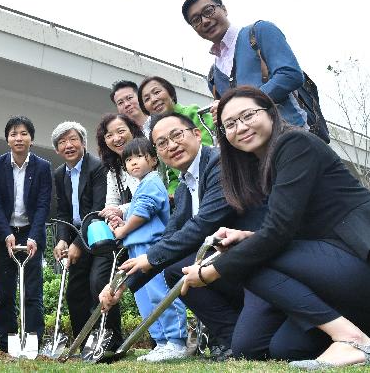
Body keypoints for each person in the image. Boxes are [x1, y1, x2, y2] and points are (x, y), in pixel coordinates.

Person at [180, 86, 370, 368]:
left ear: (271, 112)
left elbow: (279, 233)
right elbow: (293, 229)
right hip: (336, 267)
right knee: (284, 348)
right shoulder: (261, 165)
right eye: (230, 124)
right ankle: (354, 330)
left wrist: (210, 273)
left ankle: (353, 339)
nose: (241, 127)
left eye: (248, 115)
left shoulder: (295, 144)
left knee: (245, 258)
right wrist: (248, 235)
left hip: (359, 258)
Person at [99, 112, 264, 361]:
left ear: (196, 134)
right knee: (177, 269)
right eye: (162, 143)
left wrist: (149, 258)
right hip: (226, 265)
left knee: (282, 347)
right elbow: (170, 236)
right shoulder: (186, 185)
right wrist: (121, 285)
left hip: (257, 265)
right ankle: (228, 337)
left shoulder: (220, 164)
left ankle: (236, 335)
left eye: (177, 135)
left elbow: (203, 225)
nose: (172, 146)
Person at [107, 138, 188, 362]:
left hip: (151, 248)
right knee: (144, 298)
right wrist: (122, 223)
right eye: (128, 160)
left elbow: (143, 212)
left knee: (160, 293)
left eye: (139, 157)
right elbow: (136, 212)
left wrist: (122, 231)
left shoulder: (152, 181)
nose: (133, 163)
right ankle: (162, 342)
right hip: (136, 249)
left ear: (153, 160)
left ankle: (176, 341)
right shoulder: (143, 184)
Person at [181, 0, 308, 127]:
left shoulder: (259, 31)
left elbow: (291, 75)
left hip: (291, 136)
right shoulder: (213, 76)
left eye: (208, 10)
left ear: (224, 9)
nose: (205, 21)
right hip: (252, 145)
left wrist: (240, 103)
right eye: (195, 20)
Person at [51, 121, 122, 350]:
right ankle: (84, 343)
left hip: (100, 237)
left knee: (98, 284)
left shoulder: (98, 167)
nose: (68, 145)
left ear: (83, 142)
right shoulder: (60, 173)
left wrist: (78, 244)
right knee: (75, 292)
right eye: (62, 142)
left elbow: (97, 209)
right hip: (75, 238)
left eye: (73, 139)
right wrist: (62, 239)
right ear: (57, 149)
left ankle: (110, 341)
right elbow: (62, 211)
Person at [0, 116, 52, 352]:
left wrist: (34, 235)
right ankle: (6, 341)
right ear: (7, 139)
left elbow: (44, 205)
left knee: (32, 291)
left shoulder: (43, 167)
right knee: (5, 291)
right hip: (3, 234)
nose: (19, 138)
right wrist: (5, 233)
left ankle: (33, 340)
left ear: (31, 139)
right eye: (14, 134)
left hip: (31, 232)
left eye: (24, 133)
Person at [138, 76, 216, 196]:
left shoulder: (192, 112)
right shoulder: (157, 134)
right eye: (147, 99)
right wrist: (173, 193)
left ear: (171, 94)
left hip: (212, 177)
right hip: (190, 189)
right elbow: (173, 174)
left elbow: (208, 149)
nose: (153, 99)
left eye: (157, 92)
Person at [95, 113, 143, 212]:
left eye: (121, 131)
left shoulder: (148, 157)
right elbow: (110, 205)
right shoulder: (113, 171)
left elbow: (149, 199)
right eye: (109, 135)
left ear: (132, 131)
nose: (116, 139)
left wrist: (120, 211)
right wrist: (111, 218)